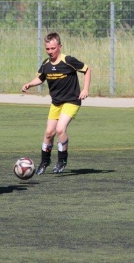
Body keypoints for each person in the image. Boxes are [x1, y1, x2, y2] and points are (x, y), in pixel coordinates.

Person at [21, 32, 91, 175]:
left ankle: (62, 160)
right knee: (48, 133)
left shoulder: (68, 60)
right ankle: (44, 161)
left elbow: (87, 69)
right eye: (47, 49)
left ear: (60, 46)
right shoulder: (46, 64)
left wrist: (85, 89)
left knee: (60, 129)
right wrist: (29, 84)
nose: (50, 51)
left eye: (53, 48)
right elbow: (40, 78)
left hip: (72, 101)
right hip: (56, 103)